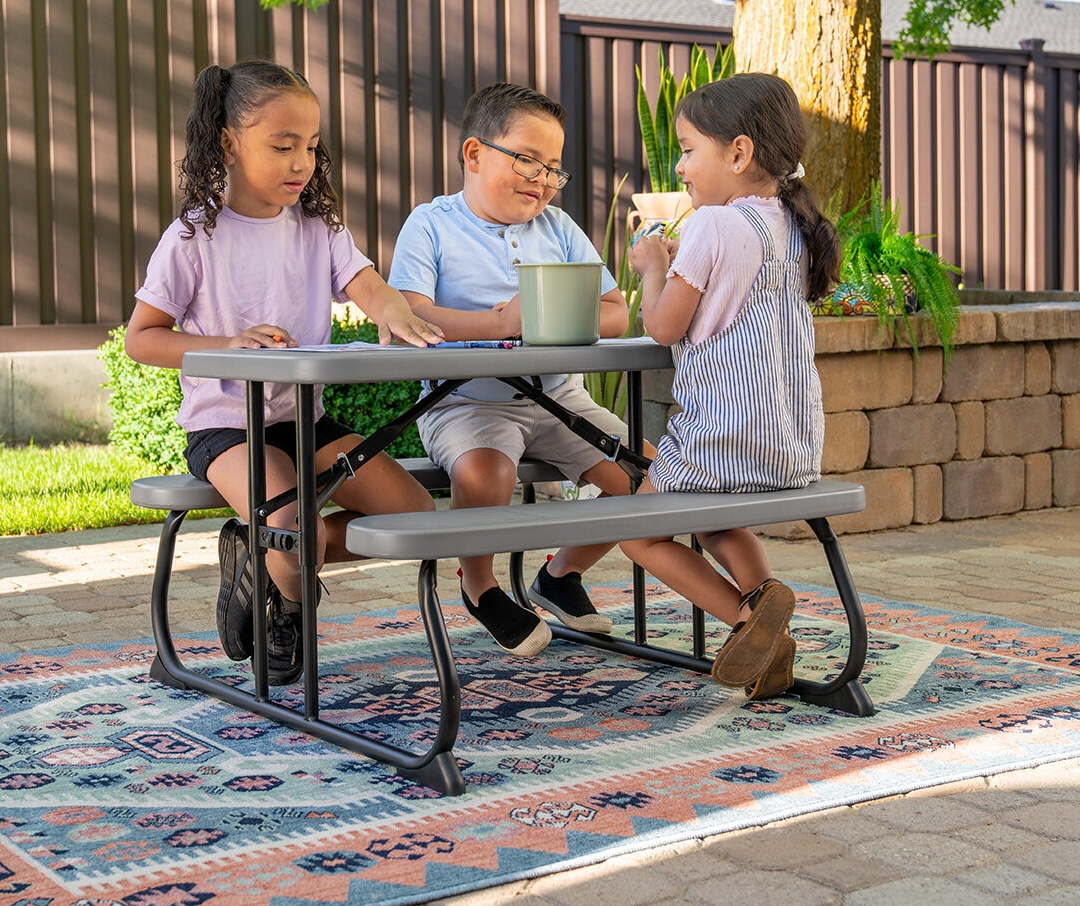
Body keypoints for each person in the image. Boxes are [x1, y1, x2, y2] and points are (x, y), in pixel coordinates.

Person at [126, 60, 444, 686]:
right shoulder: (194, 237)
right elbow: (143, 339)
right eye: (282, 145)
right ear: (227, 142)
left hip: (307, 422)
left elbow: (369, 287)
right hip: (228, 430)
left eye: (311, 146)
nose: (301, 162)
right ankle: (287, 605)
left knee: (417, 518)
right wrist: (230, 344)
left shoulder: (319, 230)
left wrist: (394, 312)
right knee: (295, 529)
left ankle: (263, 552)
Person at [389, 81, 650, 657]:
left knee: (647, 476)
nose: (541, 179)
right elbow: (407, 315)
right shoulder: (431, 224)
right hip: (466, 403)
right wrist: (499, 324)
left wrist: (552, 323)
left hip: (562, 401)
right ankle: (480, 586)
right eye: (526, 159)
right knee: (488, 476)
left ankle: (559, 576)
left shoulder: (558, 229)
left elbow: (615, 311)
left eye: (553, 167)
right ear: (475, 154)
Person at [621, 72, 840, 701]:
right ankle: (767, 617)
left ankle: (748, 621)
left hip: (721, 435)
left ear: (738, 153)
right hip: (791, 445)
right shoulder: (793, 227)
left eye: (689, 150)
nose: (682, 169)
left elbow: (664, 328)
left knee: (638, 530)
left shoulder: (713, 226)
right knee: (715, 519)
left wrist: (651, 269)